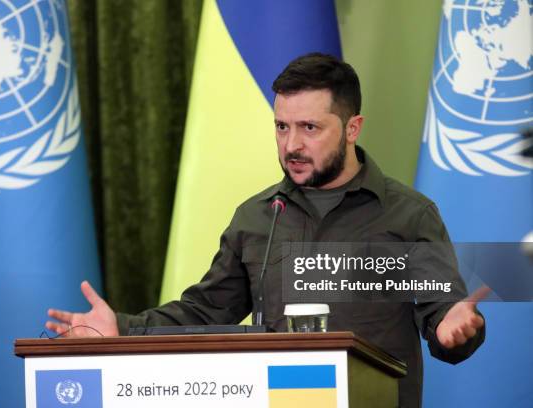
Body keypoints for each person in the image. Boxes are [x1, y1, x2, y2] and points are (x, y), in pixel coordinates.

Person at [46, 53, 486, 407]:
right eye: (282, 126)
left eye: (309, 128)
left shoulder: (407, 215)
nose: (291, 144)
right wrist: (122, 328)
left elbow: (444, 318)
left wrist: (457, 328)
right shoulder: (257, 217)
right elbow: (205, 312)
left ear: (353, 128)